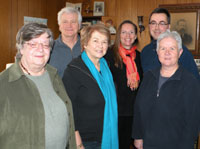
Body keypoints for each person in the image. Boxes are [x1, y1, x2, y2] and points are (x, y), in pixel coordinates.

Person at [0, 23, 76, 149]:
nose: (40, 49)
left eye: (45, 45)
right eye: (33, 44)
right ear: (21, 48)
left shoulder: (54, 76)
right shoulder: (4, 84)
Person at [133, 30, 200, 149]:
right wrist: (138, 136)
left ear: (180, 53)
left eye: (172, 49)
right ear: (158, 52)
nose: (167, 53)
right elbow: (139, 108)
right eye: (163, 48)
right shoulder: (149, 76)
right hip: (148, 143)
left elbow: (193, 122)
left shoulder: (190, 82)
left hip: (176, 144)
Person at [62, 24, 118, 149]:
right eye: (96, 41)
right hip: (86, 140)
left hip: (105, 135)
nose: (101, 45)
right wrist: (78, 142)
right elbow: (68, 109)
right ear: (85, 43)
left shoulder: (105, 67)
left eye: (104, 42)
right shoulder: (74, 70)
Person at [105, 20, 143, 149]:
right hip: (115, 112)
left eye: (131, 32)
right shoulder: (108, 55)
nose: (128, 36)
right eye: (124, 32)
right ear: (118, 35)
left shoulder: (139, 56)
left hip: (133, 112)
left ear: (136, 36)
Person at [141, 7, 200, 80]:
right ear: (149, 26)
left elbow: (195, 82)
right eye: (153, 23)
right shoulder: (145, 52)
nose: (157, 27)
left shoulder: (181, 52)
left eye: (162, 23)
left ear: (168, 27)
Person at [49, 7, 82, 78]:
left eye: (73, 22)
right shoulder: (49, 48)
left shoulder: (88, 47)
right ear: (59, 26)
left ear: (79, 26)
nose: (69, 26)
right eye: (65, 22)